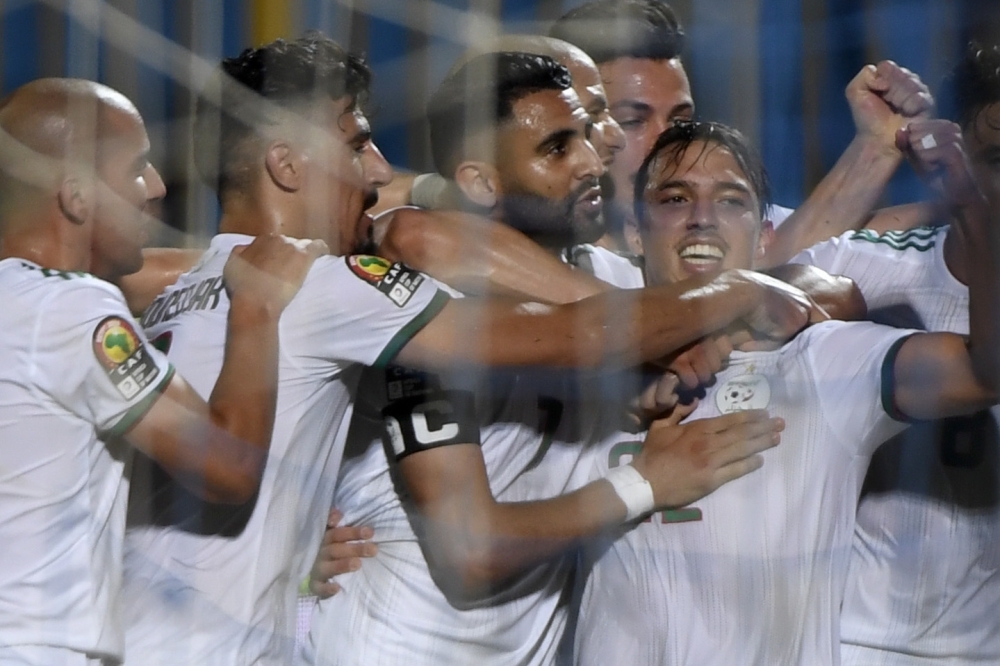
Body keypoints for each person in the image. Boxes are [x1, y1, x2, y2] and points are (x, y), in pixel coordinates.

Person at [120, 33, 813, 666]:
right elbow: (562, 336)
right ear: (286, 164)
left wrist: (295, 539)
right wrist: (736, 295)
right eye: (358, 143)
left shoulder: (200, 288)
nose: (377, 168)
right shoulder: (337, 288)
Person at [303, 51, 798, 666]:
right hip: (387, 644)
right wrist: (647, 480)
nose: (594, 160)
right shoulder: (425, 311)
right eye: (558, 148)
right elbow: (468, 552)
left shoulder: (618, 281)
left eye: (588, 135)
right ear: (481, 182)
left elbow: (816, 278)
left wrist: (719, 316)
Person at [572, 118, 999, 665]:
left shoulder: (825, 362)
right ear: (634, 230)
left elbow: (986, 372)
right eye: (675, 199)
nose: (702, 219)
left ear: (766, 238)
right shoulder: (581, 352)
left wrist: (969, 210)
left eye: (731, 202)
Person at [0, 78, 321, 666]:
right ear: (76, 196)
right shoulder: (71, 311)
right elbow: (227, 466)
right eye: (137, 168)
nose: (157, 188)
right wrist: (256, 306)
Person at [791, 42, 1000, 665]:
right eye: (997, 159)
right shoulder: (876, 260)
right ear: (952, 151)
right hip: (847, 639)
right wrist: (881, 143)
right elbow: (748, 290)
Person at [549, 0, 936, 263]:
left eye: (681, 122)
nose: (667, 142)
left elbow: (827, 233)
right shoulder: (545, 259)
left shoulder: (722, 219)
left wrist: (883, 143)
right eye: (633, 121)